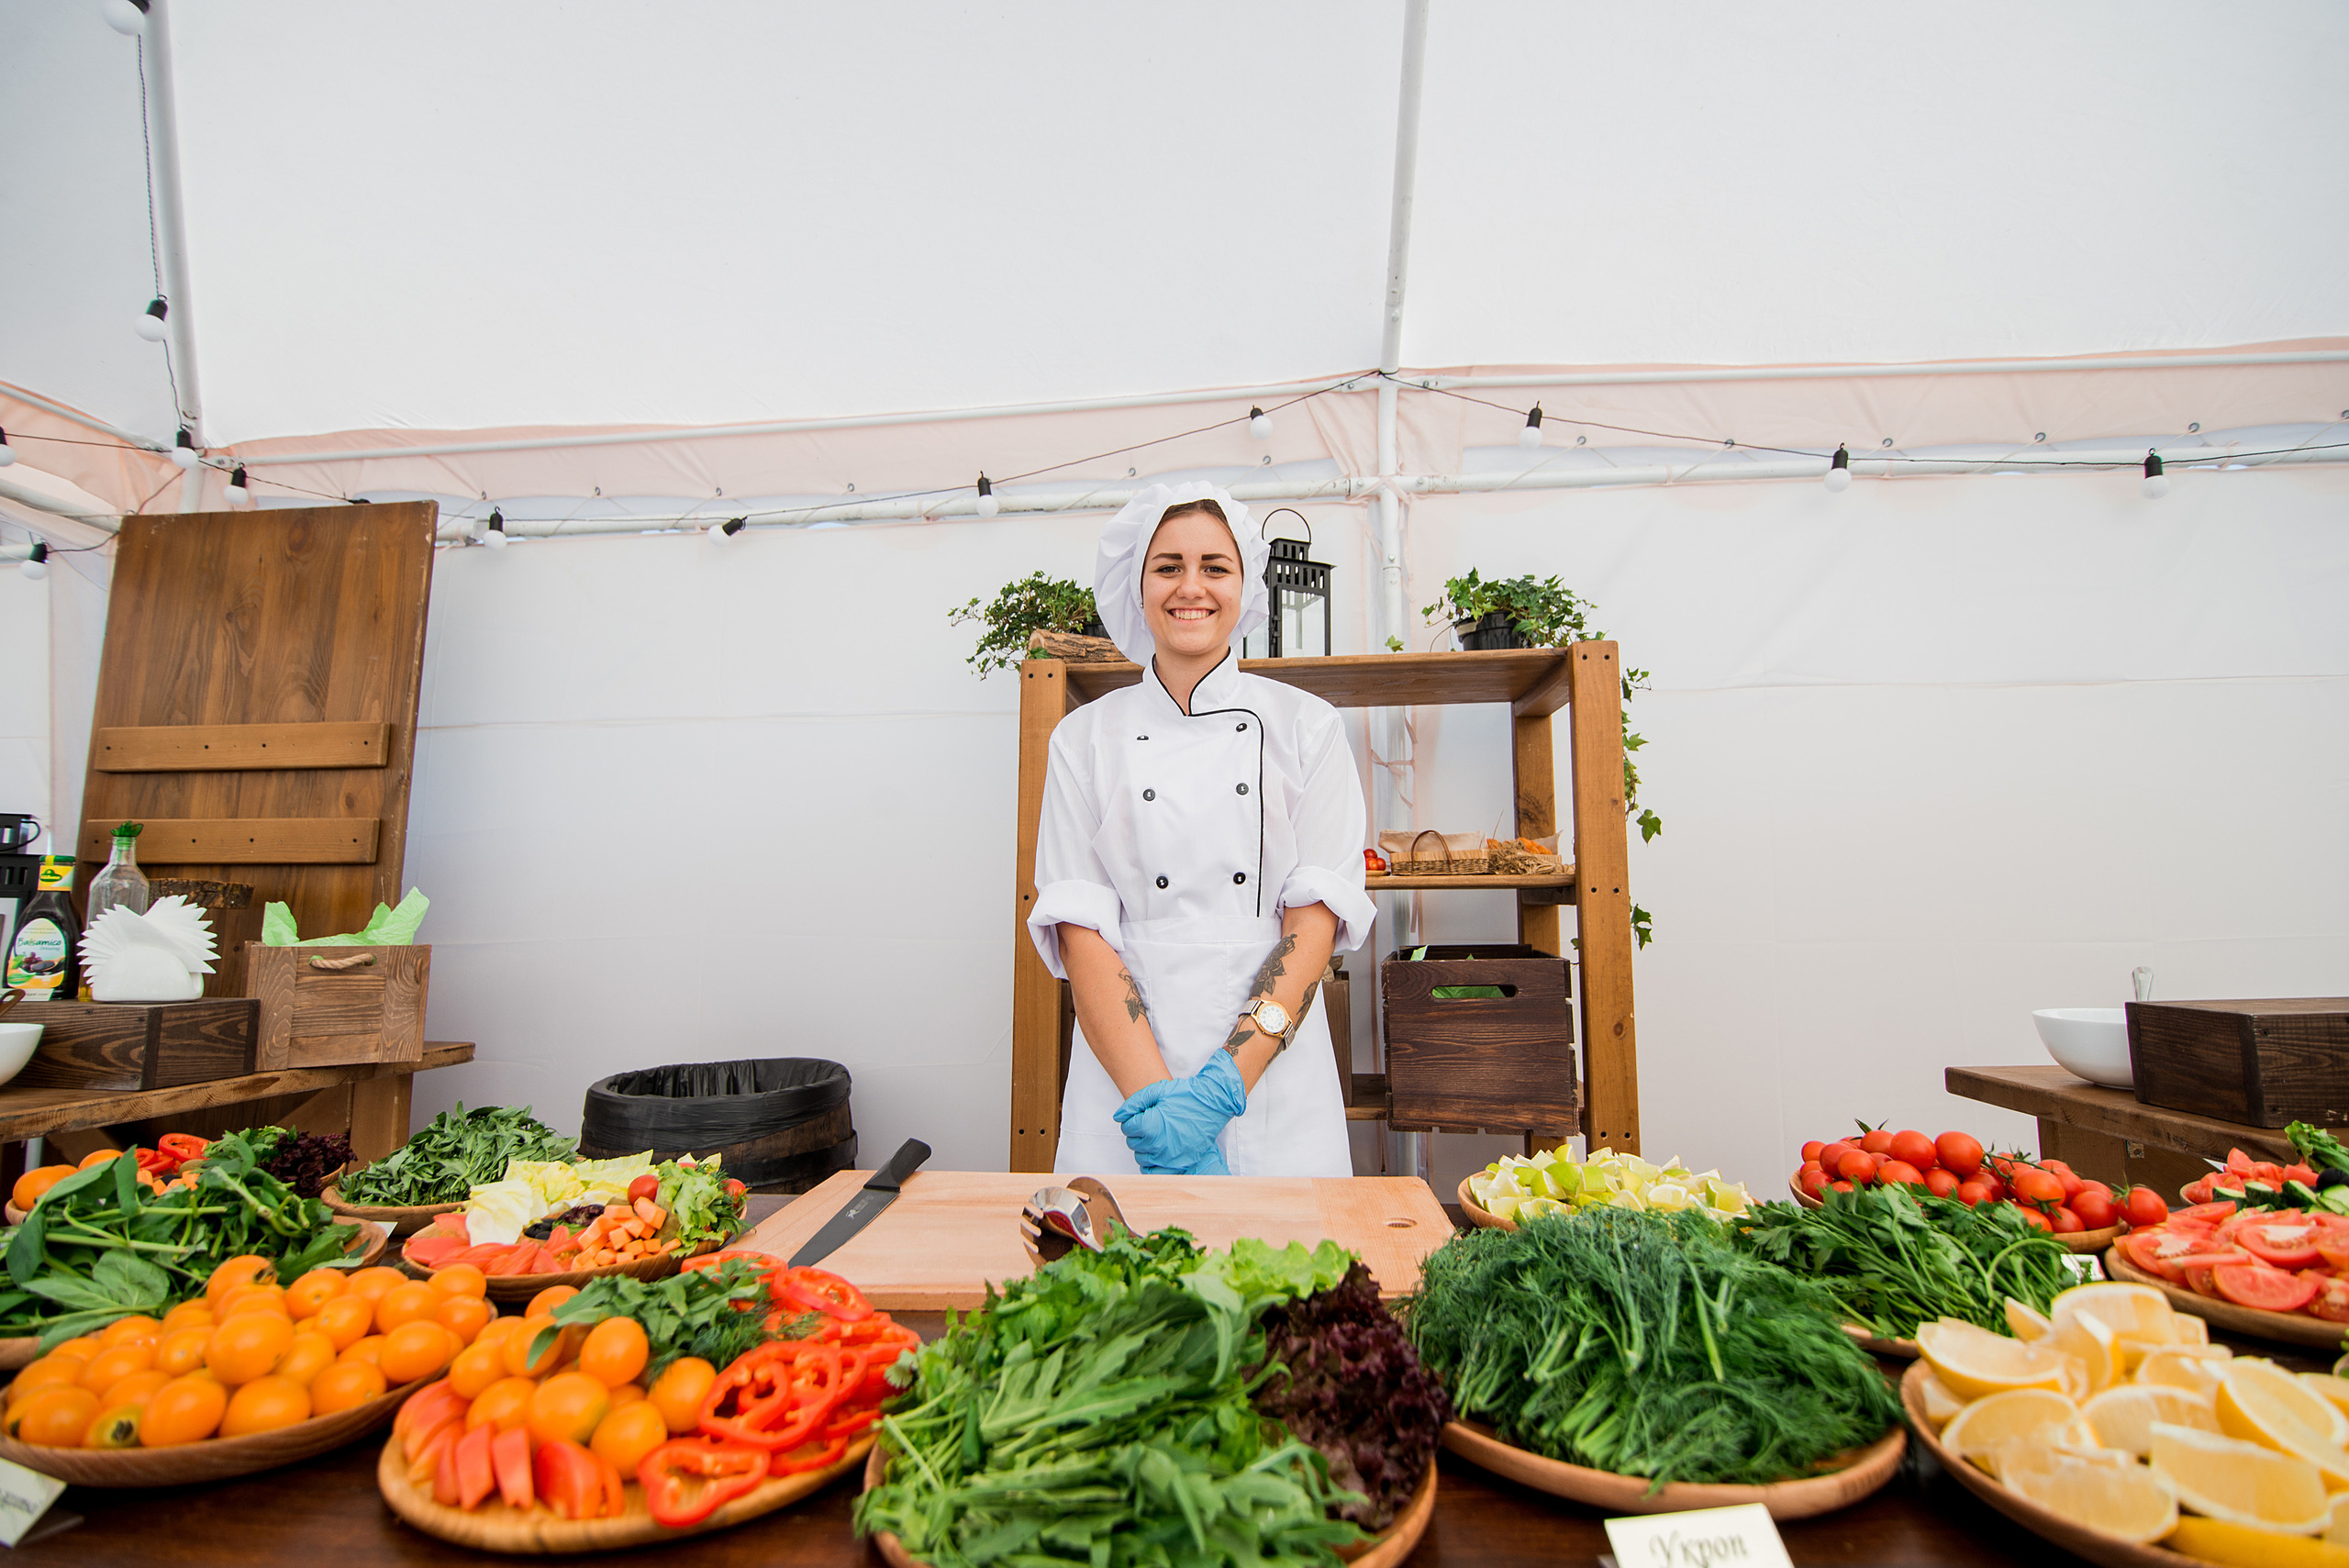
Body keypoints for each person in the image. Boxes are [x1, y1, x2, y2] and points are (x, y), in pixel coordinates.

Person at [1026, 481, 1374, 1177]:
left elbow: (1314, 922)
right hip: (1127, 1080)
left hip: (1269, 1075)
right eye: (1168, 566)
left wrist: (1218, 1092)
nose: (1192, 587)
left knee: (1286, 1249)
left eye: (1215, 566)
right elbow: (1079, 930)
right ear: (1137, 586)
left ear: (1246, 586)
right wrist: (1161, 1110)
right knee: (1123, 1251)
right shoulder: (1083, 738)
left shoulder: (1307, 726)